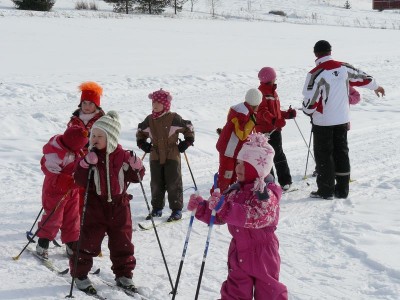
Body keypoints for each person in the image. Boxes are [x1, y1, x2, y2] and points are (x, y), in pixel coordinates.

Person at [188, 133, 288, 300]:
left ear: (258, 168)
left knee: (269, 291)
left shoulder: (266, 193)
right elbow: (221, 216)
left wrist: (225, 207)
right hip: (238, 249)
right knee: (235, 290)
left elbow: (256, 216)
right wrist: (202, 207)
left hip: (263, 251)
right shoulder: (235, 190)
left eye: (245, 165)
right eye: (238, 163)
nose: (238, 168)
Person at [70, 111, 145, 295]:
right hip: (96, 205)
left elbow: (136, 178)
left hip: (120, 206)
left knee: (123, 242)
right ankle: (80, 274)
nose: (94, 139)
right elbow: (79, 179)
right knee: (88, 241)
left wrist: (137, 167)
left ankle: (124, 274)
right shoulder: (90, 157)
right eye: (93, 135)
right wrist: (85, 164)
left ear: (110, 138)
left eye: (99, 136)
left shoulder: (123, 156)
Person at [302, 40, 385, 199]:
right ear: (330, 51)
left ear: (315, 54)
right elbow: (364, 78)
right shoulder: (344, 67)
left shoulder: (315, 73)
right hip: (342, 120)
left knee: (324, 155)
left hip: (323, 122)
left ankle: (326, 191)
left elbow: (310, 102)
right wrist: (377, 87)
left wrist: (307, 110)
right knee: (341, 152)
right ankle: (342, 190)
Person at [136, 88, 195, 222]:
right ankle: (157, 209)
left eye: (158, 103)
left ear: (166, 105)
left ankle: (176, 210)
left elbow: (188, 127)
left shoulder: (174, 118)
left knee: (173, 182)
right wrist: (142, 143)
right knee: (156, 183)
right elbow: (140, 131)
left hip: (172, 155)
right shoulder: (149, 120)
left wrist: (187, 141)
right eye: (153, 103)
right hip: (155, 155)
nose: (155, 106)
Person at [36, 126, 89, 260]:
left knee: (72, 217)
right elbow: (53, 175)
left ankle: (71, 243)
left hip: (72, 191)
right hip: (55, 191)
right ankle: (43, 242)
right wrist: (71, 181)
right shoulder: (54, 154)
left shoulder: (77, 150)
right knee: (54, 217)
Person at [255, 67, 296, 191]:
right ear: (270, 79)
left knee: (278, 155)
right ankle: (270, 183)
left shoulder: (272, 91)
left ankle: (285, 182)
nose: (275, 79)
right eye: (274, 77)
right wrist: (274, 120)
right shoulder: (261, 93)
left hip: (275, 129)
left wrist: (286, 115)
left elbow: (275, 112)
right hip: (266, 131)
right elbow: (262, 112)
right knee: (269, 157)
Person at [215, 88, 262, 193]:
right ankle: (217, 199)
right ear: (256, 103)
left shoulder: (241, 108)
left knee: (234, 176)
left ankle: (229, 198)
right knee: (226, 176)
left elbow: (232, 126)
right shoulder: (243, 113)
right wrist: (252, 122)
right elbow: (242, 134)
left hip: (234, 149)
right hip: (229, 150)